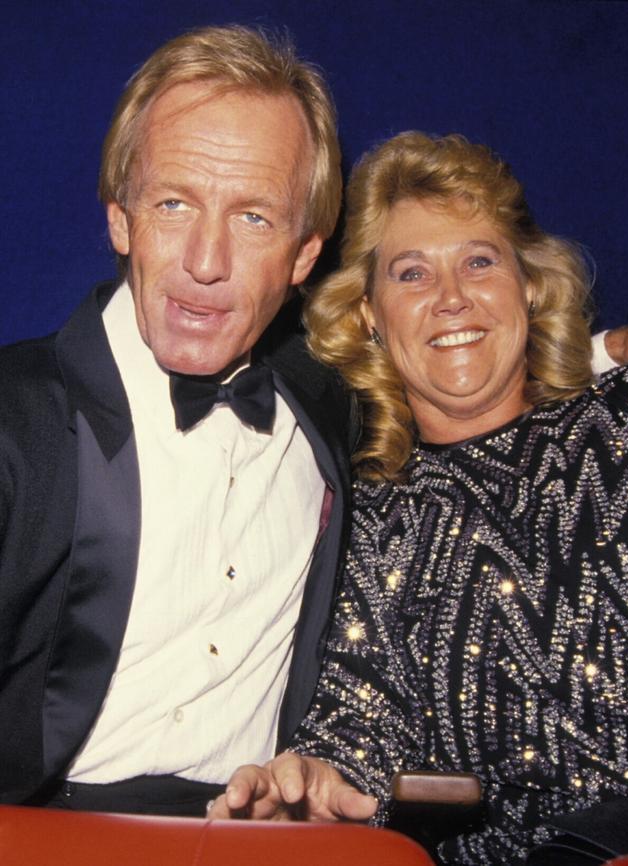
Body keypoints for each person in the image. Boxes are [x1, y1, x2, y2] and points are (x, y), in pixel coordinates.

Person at [213, 133, 628, 865]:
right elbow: (358, 722)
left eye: (480, 261)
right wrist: (311, 783)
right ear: (370, 316)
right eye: (411, 274)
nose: (451, 298)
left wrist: (608, 350)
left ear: (530, 285)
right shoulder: (376, 521)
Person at [0, 24, 356, 816]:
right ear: (121, 218)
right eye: (174, 202)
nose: (205, 260)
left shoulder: (329, 405)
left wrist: (601, 350)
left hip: (252, 836)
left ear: (303, 255)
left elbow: (456, 359)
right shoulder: (12, 419)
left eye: (254, 218)